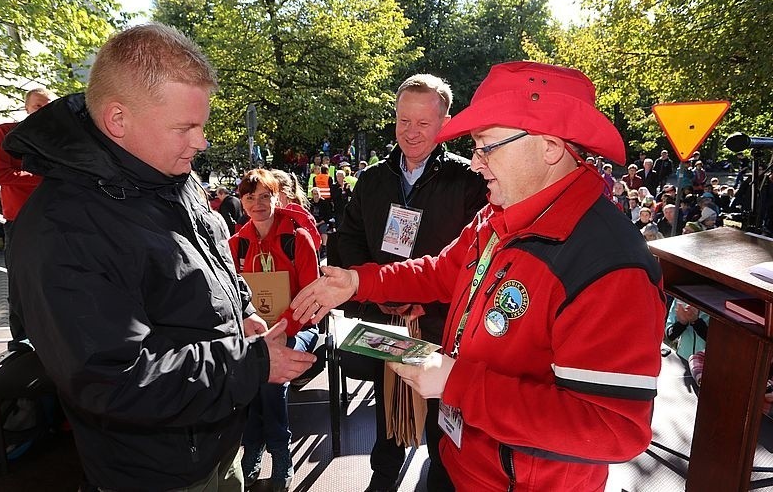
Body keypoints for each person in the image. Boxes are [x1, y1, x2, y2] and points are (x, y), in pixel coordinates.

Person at [292, 61, 665, 491]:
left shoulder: (609, 263)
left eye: (487, 146)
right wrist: (360, 282)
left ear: (549, 147)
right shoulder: (499, 212)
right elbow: (441, 271)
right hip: (459, 458)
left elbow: (613, 428)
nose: (476, 162)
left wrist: (456, 382)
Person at [2, 23, 316, 491]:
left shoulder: (168, 173)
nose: (202, 142)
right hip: (157, 469)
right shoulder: (64, 230)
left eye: (202, 124)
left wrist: (244, 314)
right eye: (186, 127)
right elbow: (113, 378)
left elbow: (207, 265)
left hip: (211, 441)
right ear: (118, 121)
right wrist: (251, 364)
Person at [336, 73, 488, 492]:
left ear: (445, 123)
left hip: (441, 323)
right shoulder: (371, 180)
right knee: (389, 408)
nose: (411, 132)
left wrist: (426, 300)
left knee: (445, 415)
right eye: (404, 121)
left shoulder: (470, 181)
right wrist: (378, 293)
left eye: (423, 123)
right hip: (385, 318)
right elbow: (347, 240)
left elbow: (477, 260)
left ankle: (440, 482)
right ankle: (382, 478)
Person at [228, 169, 320, 491]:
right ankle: (255, 446)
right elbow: (231, 299)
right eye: (250, 197)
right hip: (256, 333)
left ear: (277, 196)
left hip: (300, 329)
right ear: (241, 201)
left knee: (269, 372)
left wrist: (283, 328)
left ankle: (277, 449)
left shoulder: (298, 239)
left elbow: (312, 299)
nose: (258, 203)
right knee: (254, 368)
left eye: (265, 196)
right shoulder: (235, 246)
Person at [0, 87, 54, 350]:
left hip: (57, 220)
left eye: (48, 105)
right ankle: (22, 344)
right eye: (38, 105)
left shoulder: (58, 139)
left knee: (57, 280)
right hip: (21, 221)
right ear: (26, 108)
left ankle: (56, 339)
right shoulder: (6, 132)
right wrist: (48, 176)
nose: (43, 110)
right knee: (21, 285)